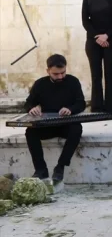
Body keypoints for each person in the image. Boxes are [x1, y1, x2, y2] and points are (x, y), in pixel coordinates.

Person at [23, 54, 85, 183]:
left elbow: (81, 103)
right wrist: (31, 109)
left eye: (63, 73)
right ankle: (40, 169)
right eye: (56, 74)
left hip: (66, 124)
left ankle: (60, 167)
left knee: (77, 129)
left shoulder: (73, 81)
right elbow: (28, 103)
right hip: (47, 125)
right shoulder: (40, 84)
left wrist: (70, 109)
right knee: (30, 131)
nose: (60, 77)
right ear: (48, 71)